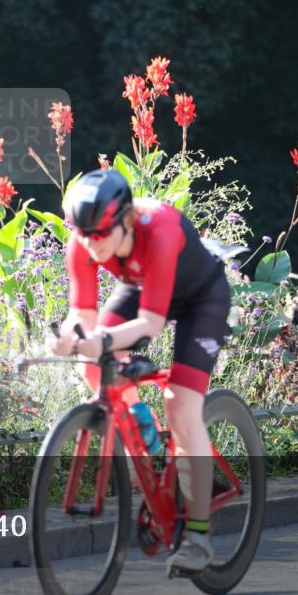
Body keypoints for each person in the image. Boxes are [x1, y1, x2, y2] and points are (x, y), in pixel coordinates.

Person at [47, 168, 233, 574]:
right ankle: (146, 444)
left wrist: (102, 340)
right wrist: (66, 337)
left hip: (201, 299)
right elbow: (81, 315)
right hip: (141, 287)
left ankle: (198, 536)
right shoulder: (83, 241)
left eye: (98, 234)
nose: (89, 243)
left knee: (180, 405)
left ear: (125, 221)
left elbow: (150, 324)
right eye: (81, 233)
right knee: (93, 367)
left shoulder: (159, 231)